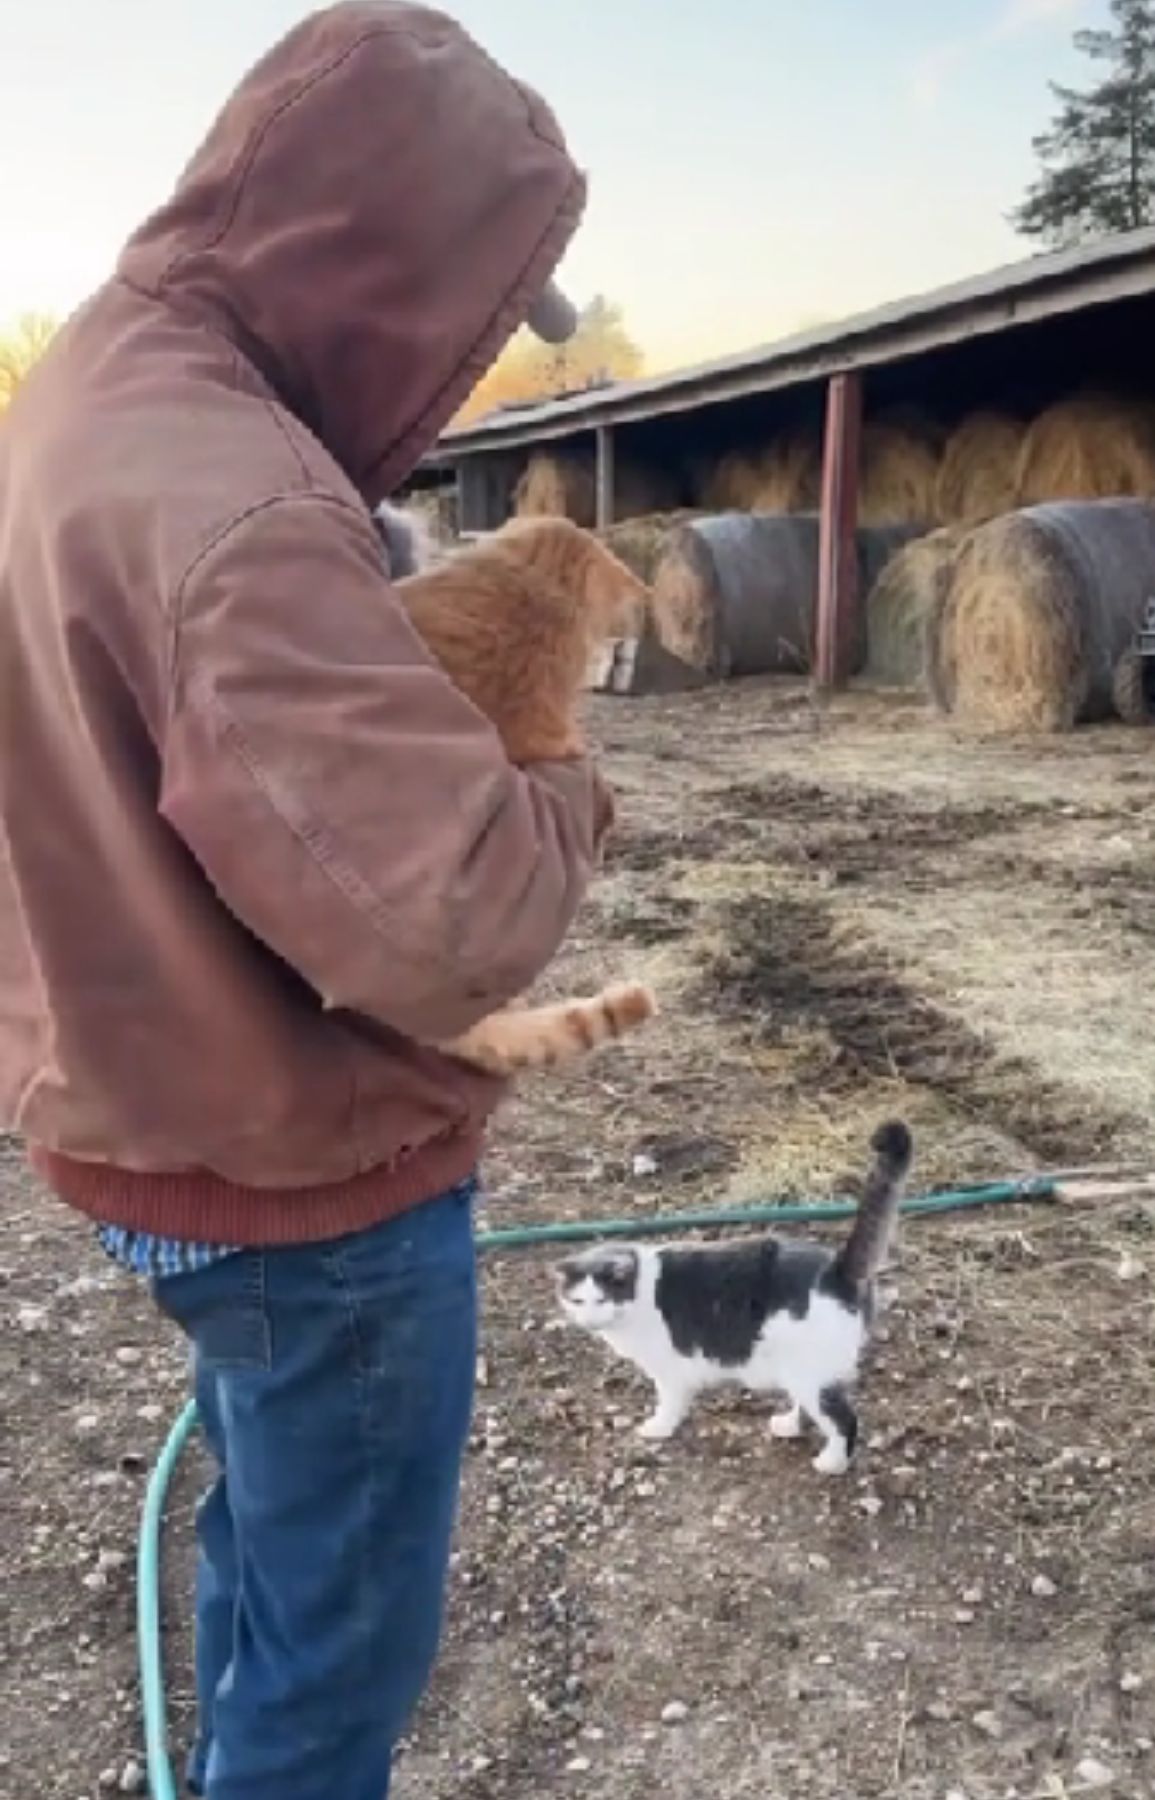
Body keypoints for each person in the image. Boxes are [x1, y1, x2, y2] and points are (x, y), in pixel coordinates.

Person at [0, 5, 608, 1795]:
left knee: (270, 1551)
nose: (465, 366)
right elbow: (449, 926)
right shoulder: (249, 507)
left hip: (146, 1111)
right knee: (339, 1665)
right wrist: (563, 775)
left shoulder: (97, 390)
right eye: (473, 308)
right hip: (302, 1181)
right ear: (388, 260)